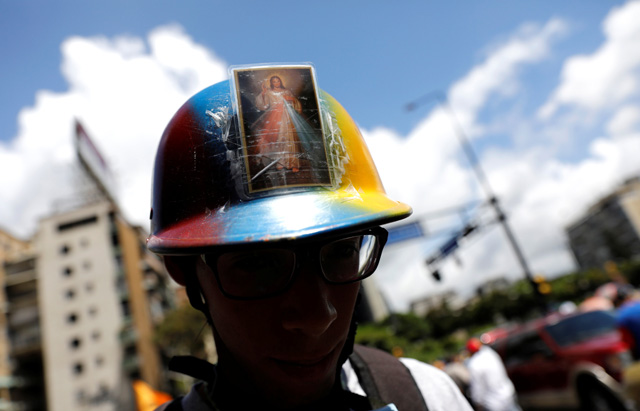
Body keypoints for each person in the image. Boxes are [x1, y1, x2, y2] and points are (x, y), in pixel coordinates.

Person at [148, 63, 473, 410]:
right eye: (258, 264)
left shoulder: (426, 395)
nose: (319, 316)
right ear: (182, 268)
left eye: (343, 251)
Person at [252, 75, 304, 172]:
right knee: (278, 138)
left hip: (287, 116)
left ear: (280, 82)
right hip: (275, 117)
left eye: (278, 81)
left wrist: (291, 99)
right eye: (274, 81)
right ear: (271, 83)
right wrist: (263, 93)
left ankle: (293, 163)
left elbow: (295, 103)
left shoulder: (287, 91)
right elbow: (263, 105)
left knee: (290, 138)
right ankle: (280, 162)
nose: (276, 83)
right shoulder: (269, 92)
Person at [465, 338, 520, 411]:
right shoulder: (490, 353)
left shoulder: (474, 364)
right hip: (508, 393)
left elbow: (477, 389)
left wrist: (478, 403)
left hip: (493, 402)